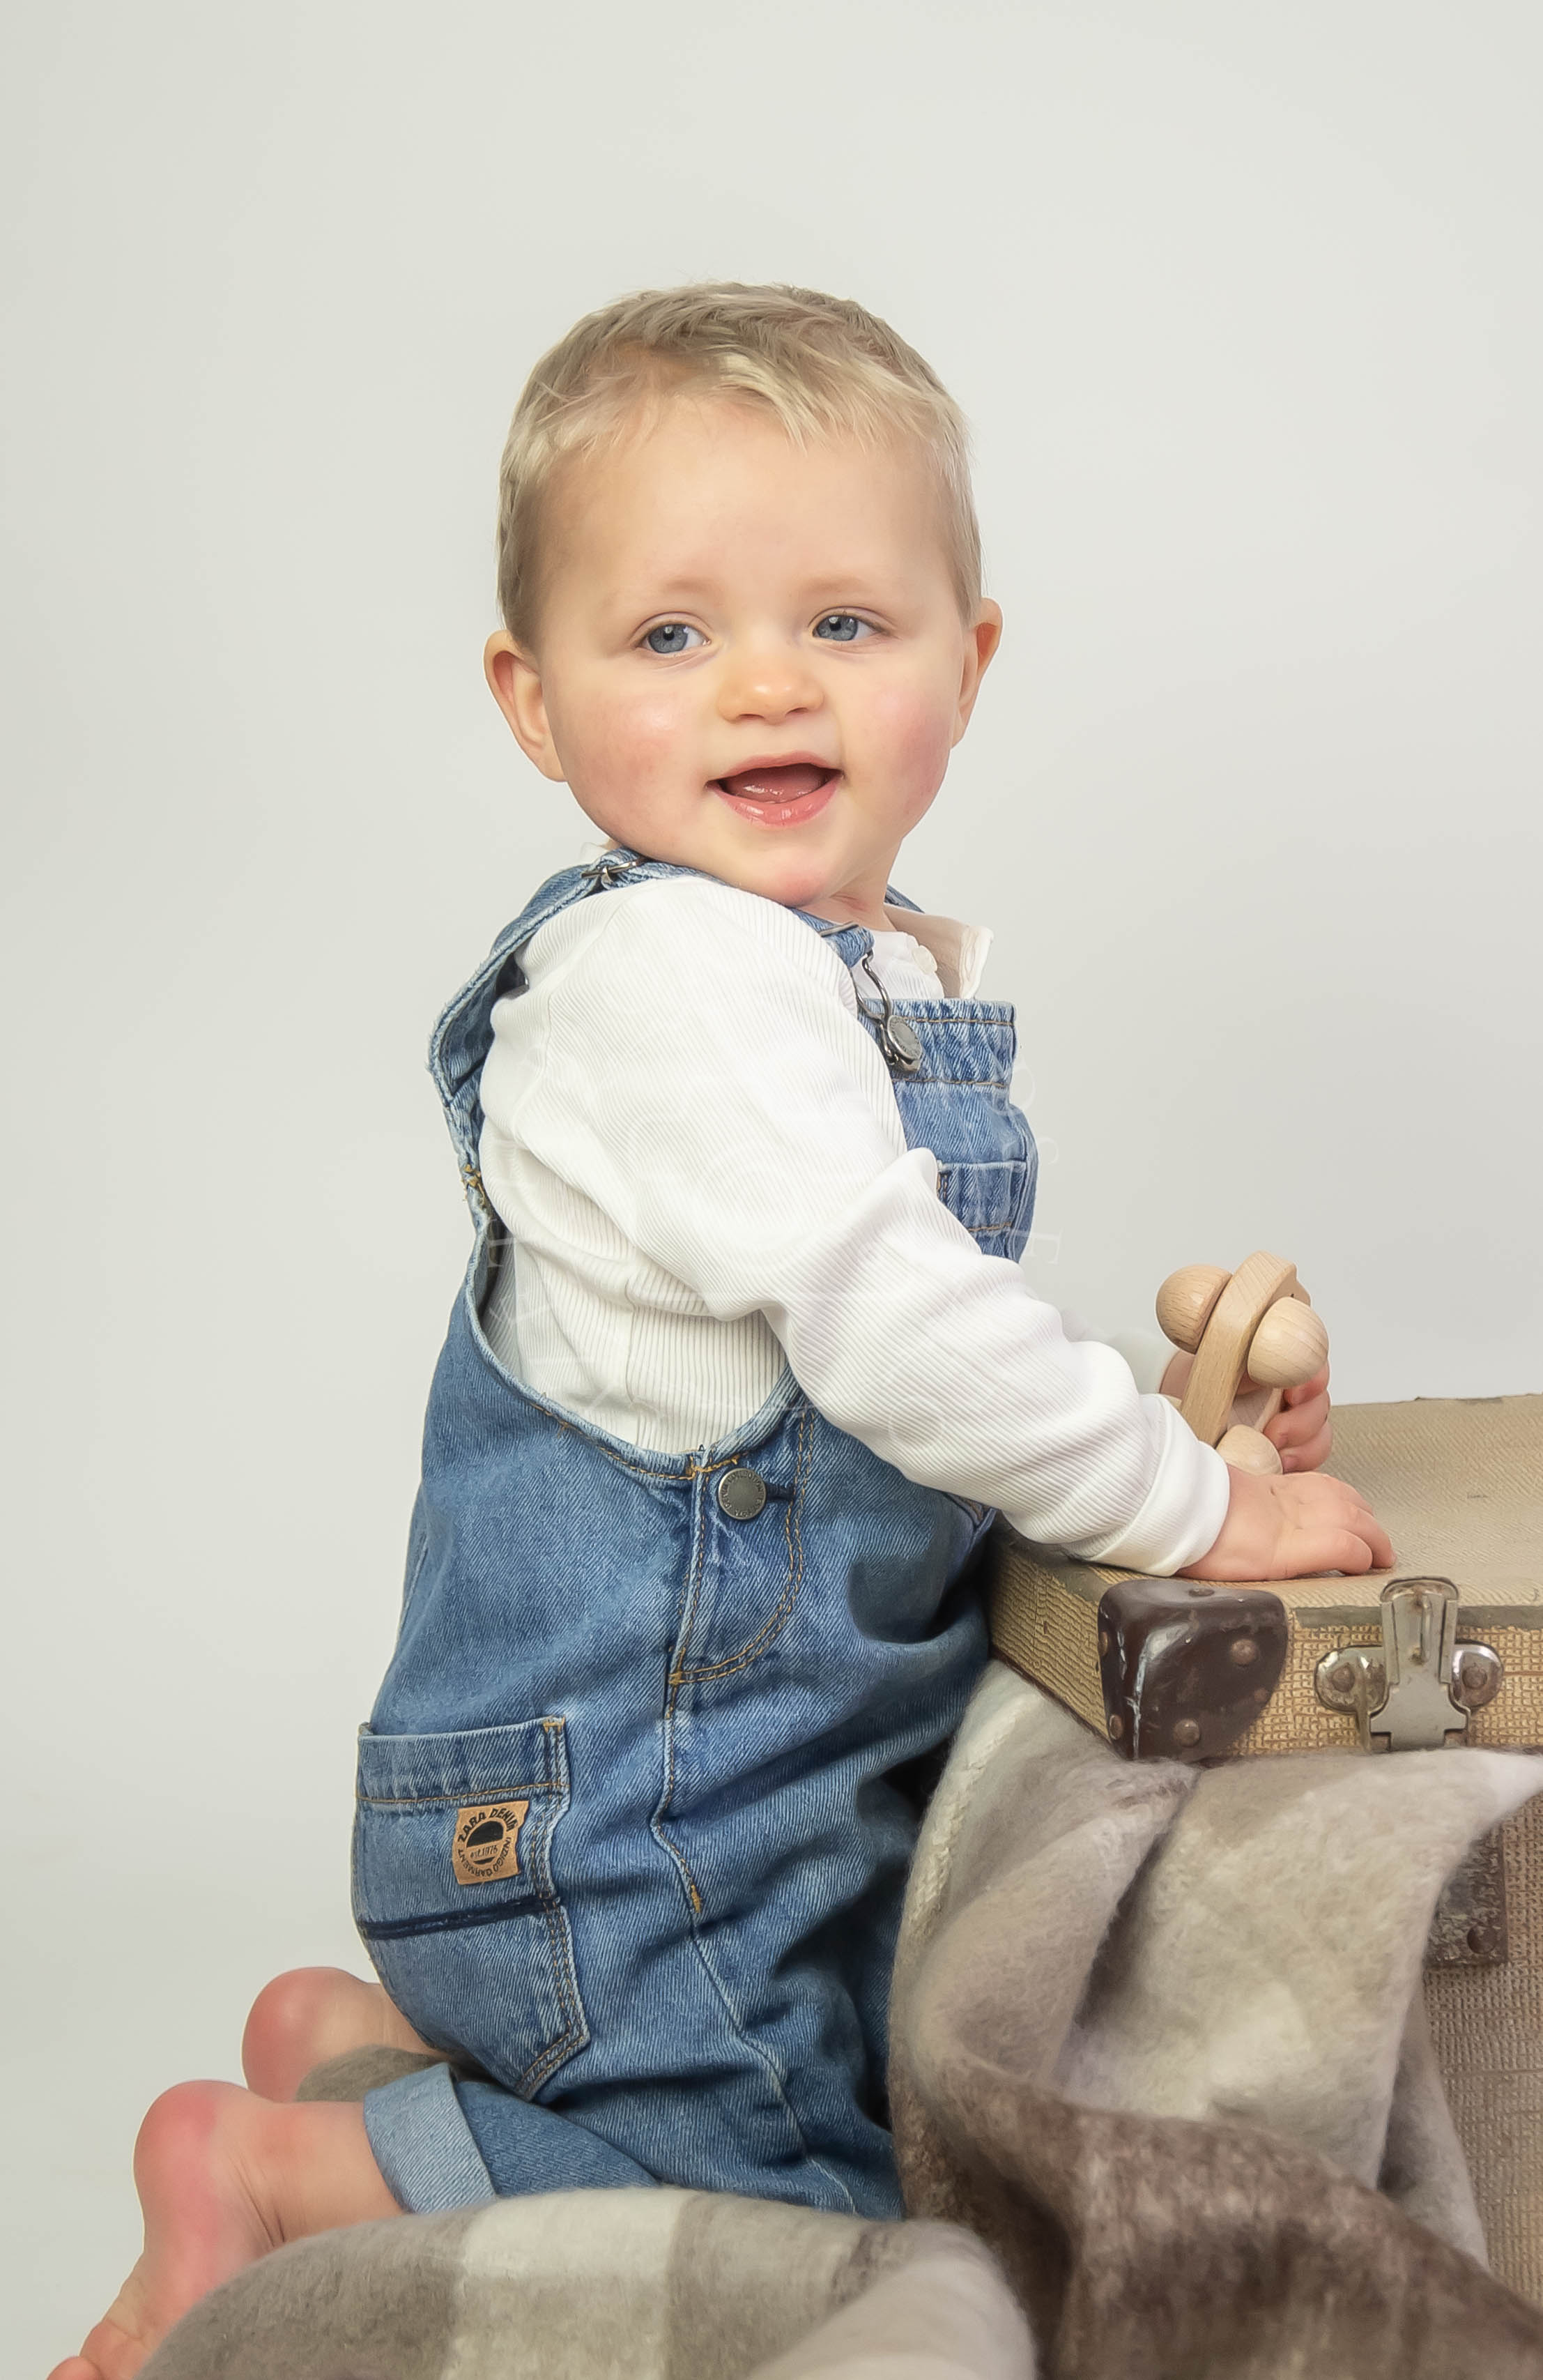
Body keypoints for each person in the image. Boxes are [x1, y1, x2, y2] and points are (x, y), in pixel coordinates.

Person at [53, 283, 1387, 2380]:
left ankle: (359, 2060)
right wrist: (1192, 1510)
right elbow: (893, 1329)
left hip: (711, 1804)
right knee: (806, 2224)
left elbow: (922, 1354)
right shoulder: (677, 981)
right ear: (534, 699)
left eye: (844, 621)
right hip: (623, 1823)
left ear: (970, 660)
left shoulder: (840, 973)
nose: (768, 682)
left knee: (834, 2107)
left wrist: (1158, 1426)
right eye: (672, 634)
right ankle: (284, 2175)